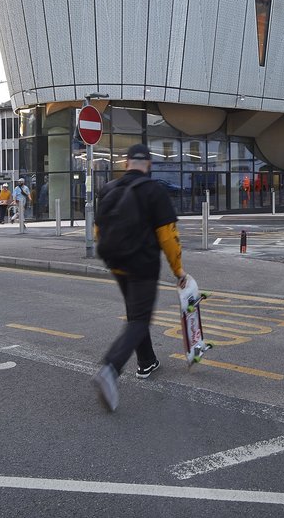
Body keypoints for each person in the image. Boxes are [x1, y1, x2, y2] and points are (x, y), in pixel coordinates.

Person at [92, 143, 186, 412]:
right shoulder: (153, 190)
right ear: (149, 165)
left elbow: (99, 230)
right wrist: (178, 270)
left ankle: (147, 362)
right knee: (140, 318)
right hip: (142, 265)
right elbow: (168, 236)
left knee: (136, 314)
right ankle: (110, 368)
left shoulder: (109, 189)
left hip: (116, 263)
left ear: (126, 163)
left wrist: (114, 255)